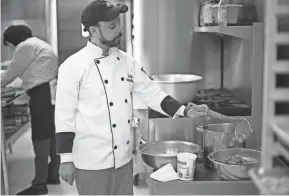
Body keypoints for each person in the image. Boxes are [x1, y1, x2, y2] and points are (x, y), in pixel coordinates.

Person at [55, 0, 209, 195]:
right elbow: (64, 115)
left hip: (124, 161)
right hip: (90, 163)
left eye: (119, 23)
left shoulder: (127, 62)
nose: (119, 29)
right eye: (112, 26)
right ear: (93, 31)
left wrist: (185, 110)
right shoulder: (72, 66)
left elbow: (151, 92)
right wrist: (66, 159)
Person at [1, 25, 60, 195]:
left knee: (40, 138)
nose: (12, 49)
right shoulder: (39, 44)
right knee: (52, 136)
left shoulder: (25, 46)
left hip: (42, 95)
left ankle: (39, 185)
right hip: (52, 93)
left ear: (13, 39)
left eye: (10, 45)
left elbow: (10, 73)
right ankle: (53, 174)